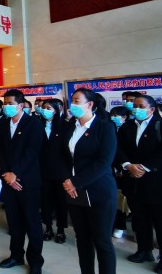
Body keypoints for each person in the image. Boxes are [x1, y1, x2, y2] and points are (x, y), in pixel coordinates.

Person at [60, 88, 117, 274]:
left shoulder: (105, 127)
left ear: (90, 104)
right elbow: (63, 157)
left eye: (77, 101)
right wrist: (68, 181)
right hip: (75, 191)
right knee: (82, 238)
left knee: (102, 240)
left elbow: (104, 162)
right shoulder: (70, 126)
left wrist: (75, 182)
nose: (73, 105)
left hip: (98, 191)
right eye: (72, 101)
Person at [0, 89, 44, 274]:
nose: (7, 107)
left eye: (11, 104)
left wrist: (15, 173)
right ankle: (16, 255)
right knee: (14, 222)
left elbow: (32, 152)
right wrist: (7, 174)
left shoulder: (34, 124)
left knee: (32, 224)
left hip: (28, 181)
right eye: (5, 103)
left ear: (21, 105)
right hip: (9, 181)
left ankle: (35, 262)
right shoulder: (2, 124)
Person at [116, 94, 162, 273]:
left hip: (155, 181)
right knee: (140, 218)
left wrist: (144, 167)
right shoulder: (127, 126)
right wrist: (128, 165)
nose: (136, 109)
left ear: (152, 109)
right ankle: (144, 250)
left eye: (141, 106)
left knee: (159, 220)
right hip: (132, 180)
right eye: (135, 105)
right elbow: (118, 148)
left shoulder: (159, 124)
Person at [40, 98, 68, 244]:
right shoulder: (38, 125)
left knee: (61, 202)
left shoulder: (65, 126)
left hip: (60, 172)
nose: (45, 110)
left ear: (57, 110)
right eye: (44, 107)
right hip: (43, 171)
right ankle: (48, 228)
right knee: (45, 201)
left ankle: (61, 230)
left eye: (49, 108)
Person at [109, 105, 130, 239]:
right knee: (114, 200)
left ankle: (122, 226)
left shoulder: (128, 130)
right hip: (111, 170)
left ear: (125, 117)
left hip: (125, 170)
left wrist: (123, 166)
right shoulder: (109, 129)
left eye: (116, 116)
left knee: (123, 200)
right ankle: (115, 225)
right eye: (112, 115)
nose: (113, 118)